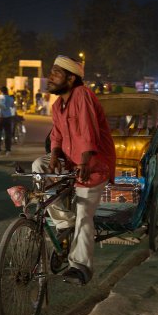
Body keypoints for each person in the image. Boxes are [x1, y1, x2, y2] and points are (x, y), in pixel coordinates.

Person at [32, 55, 116, 286]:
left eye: (56, 73)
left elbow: (89, 131)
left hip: (94, 162)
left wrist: (85, 161)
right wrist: (55, 156)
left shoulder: (83, 95)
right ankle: (63, 223)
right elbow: (57, 134)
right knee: (38, 166)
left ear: (70, 79)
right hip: (71, 160)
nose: (50, 78)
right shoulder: (58, 105)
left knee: (84, 214)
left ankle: (80, 267)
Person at [0, 86, 14, 156]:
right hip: (8, 117)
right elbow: (12, 106)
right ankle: (8, 150)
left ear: (1, 91)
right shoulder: (10, 98)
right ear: (7, 91)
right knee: (8, 134)